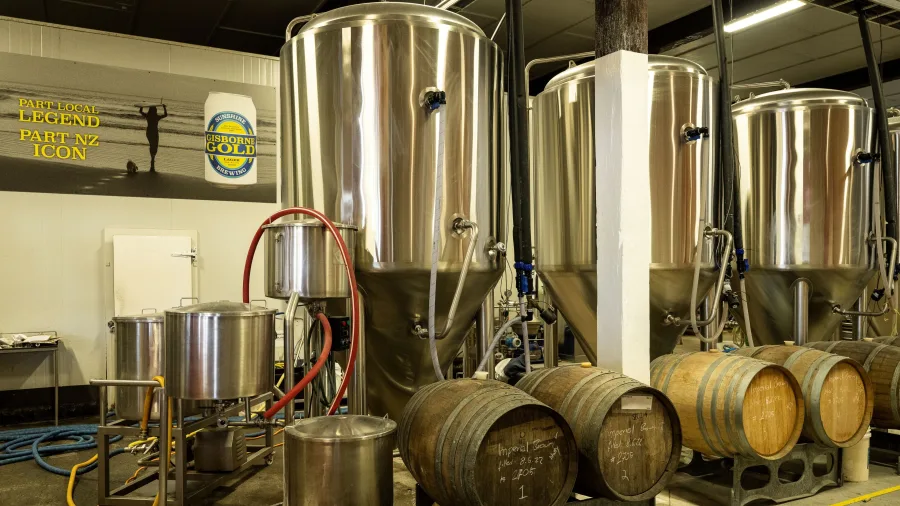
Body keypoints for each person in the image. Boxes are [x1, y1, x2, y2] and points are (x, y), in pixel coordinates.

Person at [138, 104, 167, 172]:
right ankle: (152, 160)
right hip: (154, 133)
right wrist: (164, 107)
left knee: (152, 145)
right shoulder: (156, 117)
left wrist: (142, 106)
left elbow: (140, 111)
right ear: (155, 111)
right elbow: (165, 115)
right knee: (155, 146)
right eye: (156, 109)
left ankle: (152, 160)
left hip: (149, 132)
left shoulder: (148, 116)